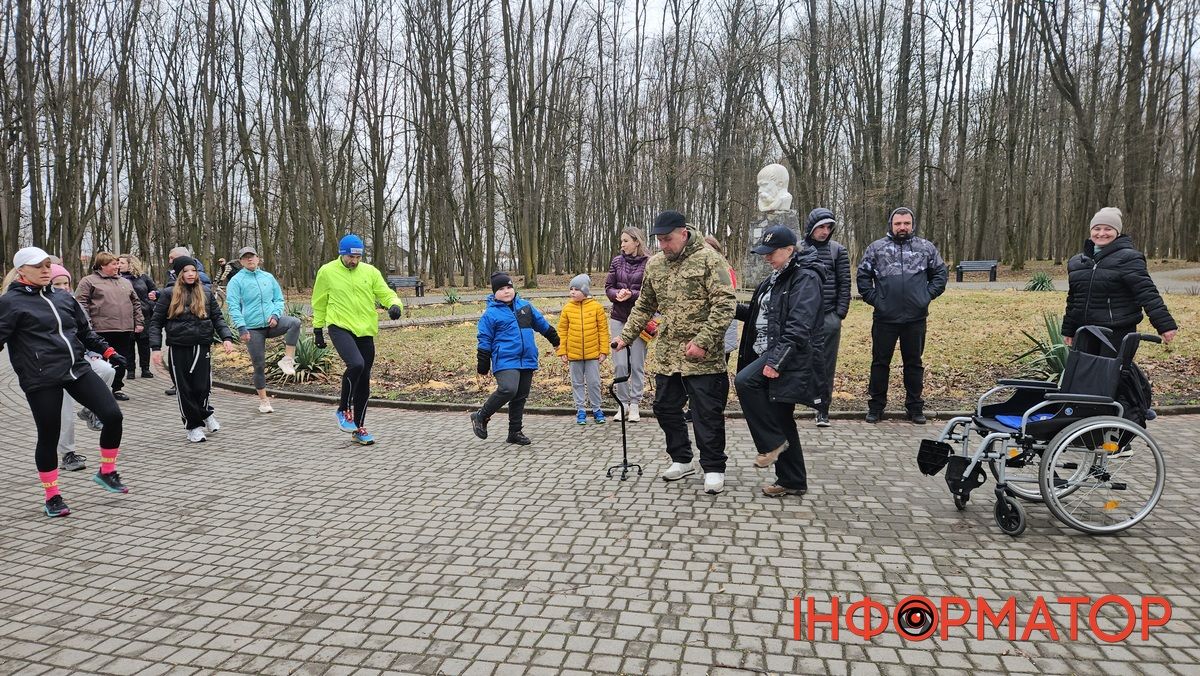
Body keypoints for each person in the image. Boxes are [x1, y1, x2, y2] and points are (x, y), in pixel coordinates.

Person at [613, 210, 737, 495]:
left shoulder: (709, 259)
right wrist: (626, 337)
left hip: (702, 356)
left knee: (706, 413)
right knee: (665, 408)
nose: (663, 246)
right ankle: (682, 459)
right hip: (670, 353)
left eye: (668, 239)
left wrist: (703, 341)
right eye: (659, 240)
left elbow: (725, 305)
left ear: (683, 233)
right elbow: (644, 305)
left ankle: (714, 467)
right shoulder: (655, 265)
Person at [0, 247, 130, 517]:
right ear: (22, 270)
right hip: (41, 377)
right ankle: (53, 497)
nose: (46, 270)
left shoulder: (62, 297)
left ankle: (107, 472)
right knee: (49, 435)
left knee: (112, 415)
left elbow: (84, 332)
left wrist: (109, 352)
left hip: (77, 369)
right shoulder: (10, 303)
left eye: (48, 265)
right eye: (39, 266)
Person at [734, 225, 826, 497]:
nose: (766, 258)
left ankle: (771, 444)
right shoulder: (775, 277)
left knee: (745, 382)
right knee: (781, 416)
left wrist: (776, 362)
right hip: (770, 352)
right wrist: (732, 308)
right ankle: (793, 480)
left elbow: (799, 325)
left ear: (789, 250)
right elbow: (762, 314)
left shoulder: (805, 278)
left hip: (787, 357)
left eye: (770, 253)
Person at [856, 207, 948, 424]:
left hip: (915, 318)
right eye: (898, 224)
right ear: (891, 225)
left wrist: (925, 296)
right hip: (885, 318)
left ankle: (915, 407)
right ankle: (876, 407)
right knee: (880, 363)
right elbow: (862, 277)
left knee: (914, 363)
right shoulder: (877, 248)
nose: (902, 227)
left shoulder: (925, 248)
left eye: (906, 223)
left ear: (912, 224)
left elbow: (940, 275)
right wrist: (877, 300)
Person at [311, 234, 404, 445]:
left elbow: (385, 293)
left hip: (365, 330)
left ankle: (359, 427)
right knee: (356, 364)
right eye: (350, 257)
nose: (354, 261)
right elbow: (319, 302)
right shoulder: (327, 272)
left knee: (364, 379)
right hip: (339, 326)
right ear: (342, 254)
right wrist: (317, 329)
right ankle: (343, 409)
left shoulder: (370, 272)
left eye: (358, 257)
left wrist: (394, 305)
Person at [1062, 207, 1178, 349]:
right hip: (1085, 331)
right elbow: (1074, 299)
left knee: (1112, 371)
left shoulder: (1129, 258)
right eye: (1097, 228)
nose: (1101, 233)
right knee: (1085, 371)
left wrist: (1165, 325)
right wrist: (1069, 330)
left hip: (1116, 332)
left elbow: (1147, 293)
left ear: (1117, 232)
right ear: (1091, 231)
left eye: (1108, 229)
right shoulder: (1077, 261)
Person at [149, 256, 235, 443]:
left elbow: (217, 318)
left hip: (201, 345)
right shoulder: (168, 294)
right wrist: (155, 348)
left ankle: (205, 412)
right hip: (179, 347)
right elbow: (155, 323)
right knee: (185, 389)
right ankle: (193, 426)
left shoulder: (205, 292)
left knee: (203, 386)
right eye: (186, 271)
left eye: (193, 271)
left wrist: (227, 338)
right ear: (178, 274)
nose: (190, 274)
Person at [471, 272, 561, 444]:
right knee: (508, 389)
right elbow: (484, 339)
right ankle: (481, 416)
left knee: (520, 396)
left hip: (527, 358)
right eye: (502, 289)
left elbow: (541, 324)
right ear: (494, 292)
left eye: (509, 287)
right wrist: (483, 363)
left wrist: (555, 340)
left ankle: (514, 432)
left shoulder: (525, 307)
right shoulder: (490, 314)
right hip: (505, 359)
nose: (507, 291)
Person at [48, 264, 117, 473]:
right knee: (64, 413)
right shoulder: (40, 307)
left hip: (78, 361)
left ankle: (91, 410)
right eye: (57, 284)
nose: (63, 288)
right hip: (53, 369)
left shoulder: (71, 302)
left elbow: (84, 332)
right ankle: (67, 453)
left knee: (107, 370)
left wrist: (101, 351)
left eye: (66, 283)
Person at [225, 246, 300, 413]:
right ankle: (264, 401)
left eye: (252, 257)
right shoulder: (236, 281)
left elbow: (279, 299)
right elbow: (233, 307)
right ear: (241, 261)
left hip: (271, 324)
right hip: (252, 329)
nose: (250, 260)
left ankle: (287, 359)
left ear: (258, 258)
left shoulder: (268, 277)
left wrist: (275, 315)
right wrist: (242, 327)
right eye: (246, 258)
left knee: (294, 322)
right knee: (259, 365)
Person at [803, 208, 851, 427]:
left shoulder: (837, 251)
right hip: (803, 318)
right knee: (799, 361)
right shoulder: (799, 250)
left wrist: (839, 314)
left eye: (828, 227)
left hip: (828, 317)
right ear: (811, 228)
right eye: (820, 227)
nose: (824, 231)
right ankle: (796, 401)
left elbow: (845, 283)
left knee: (825, 365)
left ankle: (822, 408)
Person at [75, 251, 143, 400]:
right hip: (100, 330)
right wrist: (87, 325)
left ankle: (117, 388)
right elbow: (81, 304)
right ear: (102, 265)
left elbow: (136, 302)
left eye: (118, 263)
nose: (117, 266)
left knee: (121, 360)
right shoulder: (88, 281)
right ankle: (100, 389)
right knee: (100, 362)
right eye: (114, 264)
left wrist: (139, 321)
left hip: (124, 328)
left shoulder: (125, 282)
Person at [605, 227, 650, 422]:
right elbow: (609, 287)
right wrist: (617, 295)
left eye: (625, 241)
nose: (622, 245)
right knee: (620, 364)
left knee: (637, 363)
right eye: (621, 241)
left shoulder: (650, 263)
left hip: (640, 320)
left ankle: (635, 404)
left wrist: (633, 294)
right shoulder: (617, 261)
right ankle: (622, 403)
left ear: (636, 241)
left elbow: (652, 293)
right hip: (618, 317)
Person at [557, 274, 610, 425]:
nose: (572, 292)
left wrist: (604, 350)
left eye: (576, 289)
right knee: (577, 382)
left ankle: (596, 409)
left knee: (594, 382)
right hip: (573, 355)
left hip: (593, 354)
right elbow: (562, 331)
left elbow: (603, 330)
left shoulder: (596, 307)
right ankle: (580, 409)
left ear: (585, 291)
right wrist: (562, 351)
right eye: (571, 289)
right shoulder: (567, 308)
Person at [119, 253, 157, 379]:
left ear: (131, 264)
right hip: (125, 316)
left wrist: (149, 304)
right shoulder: (117, 279)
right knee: (128, 344)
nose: (119, 265)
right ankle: (130, 370)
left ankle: (145, 369)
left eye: (122, 263)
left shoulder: (144, 278)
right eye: (118, 263)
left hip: (144, 315)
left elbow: (154, 293)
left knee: (144, 344)